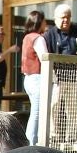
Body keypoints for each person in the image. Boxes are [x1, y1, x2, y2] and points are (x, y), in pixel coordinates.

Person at [43, 3, 77, 146]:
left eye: (67, 17)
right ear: (55, 19)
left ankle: (72, 137)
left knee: (73, 108)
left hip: (74, 77)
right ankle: (54, 135)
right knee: (54, 106)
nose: (65, 20)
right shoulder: (50, 34)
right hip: (57, 77)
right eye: (62, 18)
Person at [20, 10, 49, 145]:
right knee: (37, 113)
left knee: (35, 111)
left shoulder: (26, 37)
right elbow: (45, 57)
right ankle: (31, 142)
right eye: (44, 21)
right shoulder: (38, 38)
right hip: (37, 78)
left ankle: (31, 141)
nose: (45, 23)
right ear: (39, 22)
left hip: (28, 79)